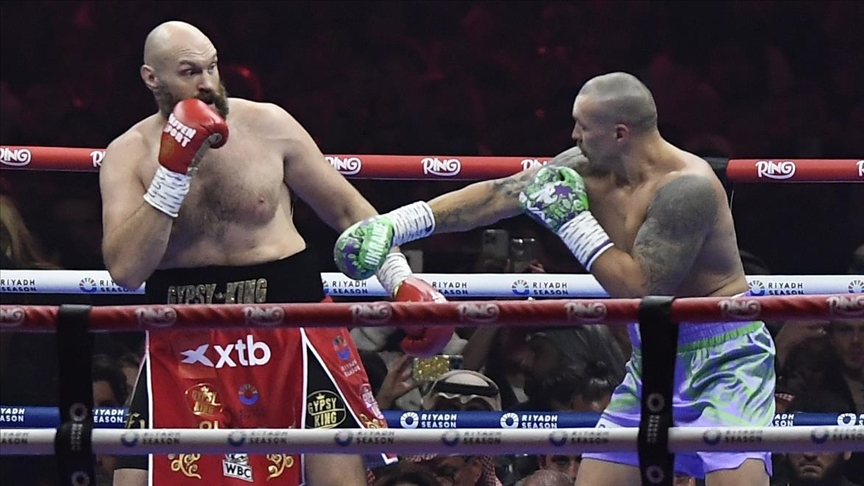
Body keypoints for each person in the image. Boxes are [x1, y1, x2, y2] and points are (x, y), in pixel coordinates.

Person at [335, 72, 776, 485]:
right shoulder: (585, 167)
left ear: (620, 133)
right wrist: (396, 225)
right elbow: (498, 195)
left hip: (724, 360)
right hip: (650, 354)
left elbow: (640, 289)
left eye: (583, 126)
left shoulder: (686, 189)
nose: (573, 135)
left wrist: (574, 224)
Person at [100, 21, 454, 486]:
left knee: (338, 476)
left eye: (212, 67)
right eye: (189, 72)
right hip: (185, 338)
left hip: (292, 325)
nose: (207, 83)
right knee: (133, 477)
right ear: (152, 78)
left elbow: (349, 212)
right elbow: (126, 270)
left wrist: (399, 278)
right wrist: (171, 175)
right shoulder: (128, 153)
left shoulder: (269, 125)